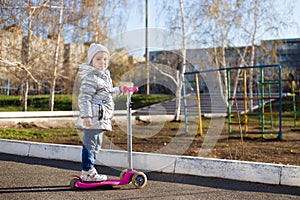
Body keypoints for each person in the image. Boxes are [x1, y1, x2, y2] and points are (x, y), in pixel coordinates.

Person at [75, 43, 123, 182]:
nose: (102, 62)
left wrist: (119, 89)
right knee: (90, 145)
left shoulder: (105, 77)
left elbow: (107, 95)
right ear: (91, 61)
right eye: (98, 59)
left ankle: (89, 170)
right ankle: (88, 171)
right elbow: (84, 98)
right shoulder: (91, 77)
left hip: (100, 119)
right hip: (93, 118)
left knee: (95, 146)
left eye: (105, 59)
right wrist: (87, 115)